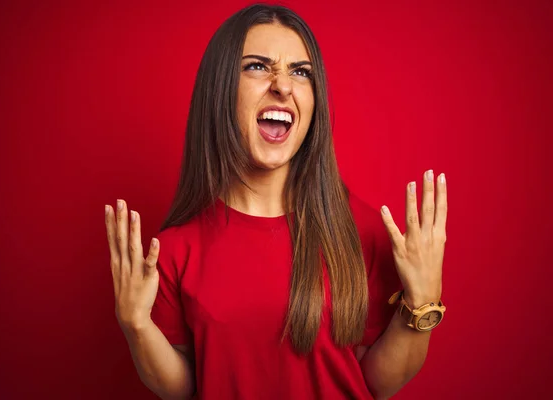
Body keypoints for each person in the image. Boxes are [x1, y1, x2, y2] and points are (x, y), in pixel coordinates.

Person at [104, 4, 448, 399]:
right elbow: (183, 388)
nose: (283, 86)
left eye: (301, 72)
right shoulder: (176, 250)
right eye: (257, 66)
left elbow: (376, 383)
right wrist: (135, 325)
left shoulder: (362, 232)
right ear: (219, 90)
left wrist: (422, 304)